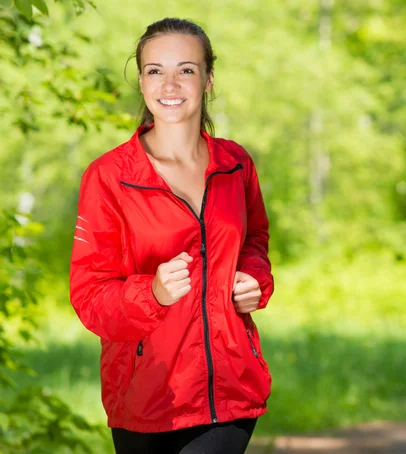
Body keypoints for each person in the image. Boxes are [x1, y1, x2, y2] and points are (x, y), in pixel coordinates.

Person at [69, 18, 274, 454]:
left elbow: (254, 237)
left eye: (186, 69)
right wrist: (153, 293)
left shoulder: (235, 165)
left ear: (208, 78)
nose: (170, 84)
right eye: (155, 70)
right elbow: (89, 298)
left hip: (230, 389)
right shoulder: (110, 177)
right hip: (147, 396)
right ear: (141, 81)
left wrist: (254, 279)